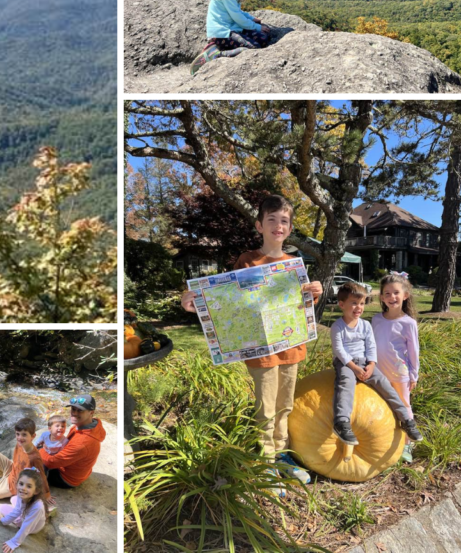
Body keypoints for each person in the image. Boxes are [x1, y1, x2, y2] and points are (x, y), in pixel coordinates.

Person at [181, 195, 322, 494]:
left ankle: (282, 455)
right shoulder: (247, 260)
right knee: (266, 407)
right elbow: (228, 299)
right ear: (259, 225)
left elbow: (301, 303)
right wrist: (193, 300)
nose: (278, 225)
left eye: (284, 220)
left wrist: (315, 291)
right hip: (261, 353)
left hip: (291, 347)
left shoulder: (294, 264)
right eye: (272, 219)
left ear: (290, 227)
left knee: (284, 405)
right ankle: (266, 461)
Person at [331, 281, 423, 449]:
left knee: (387, 388)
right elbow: (339, 350)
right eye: (354, 303)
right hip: (346, 363)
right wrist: (354, 368)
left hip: (370, 364)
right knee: (345, 384)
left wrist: (371, 364)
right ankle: (341, 422)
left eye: (361, 303)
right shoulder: (338, 326)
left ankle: (407, 420)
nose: (358, 307)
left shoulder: (366, 324)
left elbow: (371, 345)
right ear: (341, 305)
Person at [371, 272, 421, 463]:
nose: (392, 297)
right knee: (382, 405)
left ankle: (407, 442)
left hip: (400, 374)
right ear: (382, 297)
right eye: (387, 293)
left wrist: (413, 375)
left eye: (396, 293)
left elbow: (414, 351)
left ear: (405, 295)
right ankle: (385, 438)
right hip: (378, 373)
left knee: (404, 406)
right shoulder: (376, 320)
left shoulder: (408, 323)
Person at [38, 394, 106, 490]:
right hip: (77, 471)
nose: (74, 413)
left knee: (35, 456)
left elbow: (51, 462)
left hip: (66, 478)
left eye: (80, 410)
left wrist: (40, 450)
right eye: (73, 409)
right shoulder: (89, 424)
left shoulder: (82, 442)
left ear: (91, 412)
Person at [0, 418, 51, 506]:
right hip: (12, 471)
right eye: (18, 434)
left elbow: (41, 476)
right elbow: (15, 461)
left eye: (24, 435)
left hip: (14, 485)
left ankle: (7, 490)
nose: (20, 438)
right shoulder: (19, 444)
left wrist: (47, 493)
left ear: (33, 436)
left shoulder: (34, 458)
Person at [0, 467, 48, 553]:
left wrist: (14, 542)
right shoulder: (22, 494)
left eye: (29, 486)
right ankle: (19, 517)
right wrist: (4, 520)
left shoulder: (38, 507)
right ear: (17, 483)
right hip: (26, 514)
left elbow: (26, 527)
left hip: (32, 527)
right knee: (14, 499)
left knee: (3, 508)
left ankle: (18, 521)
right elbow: (16, 511)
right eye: (21, 484)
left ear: (36, 491)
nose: (23, 488)